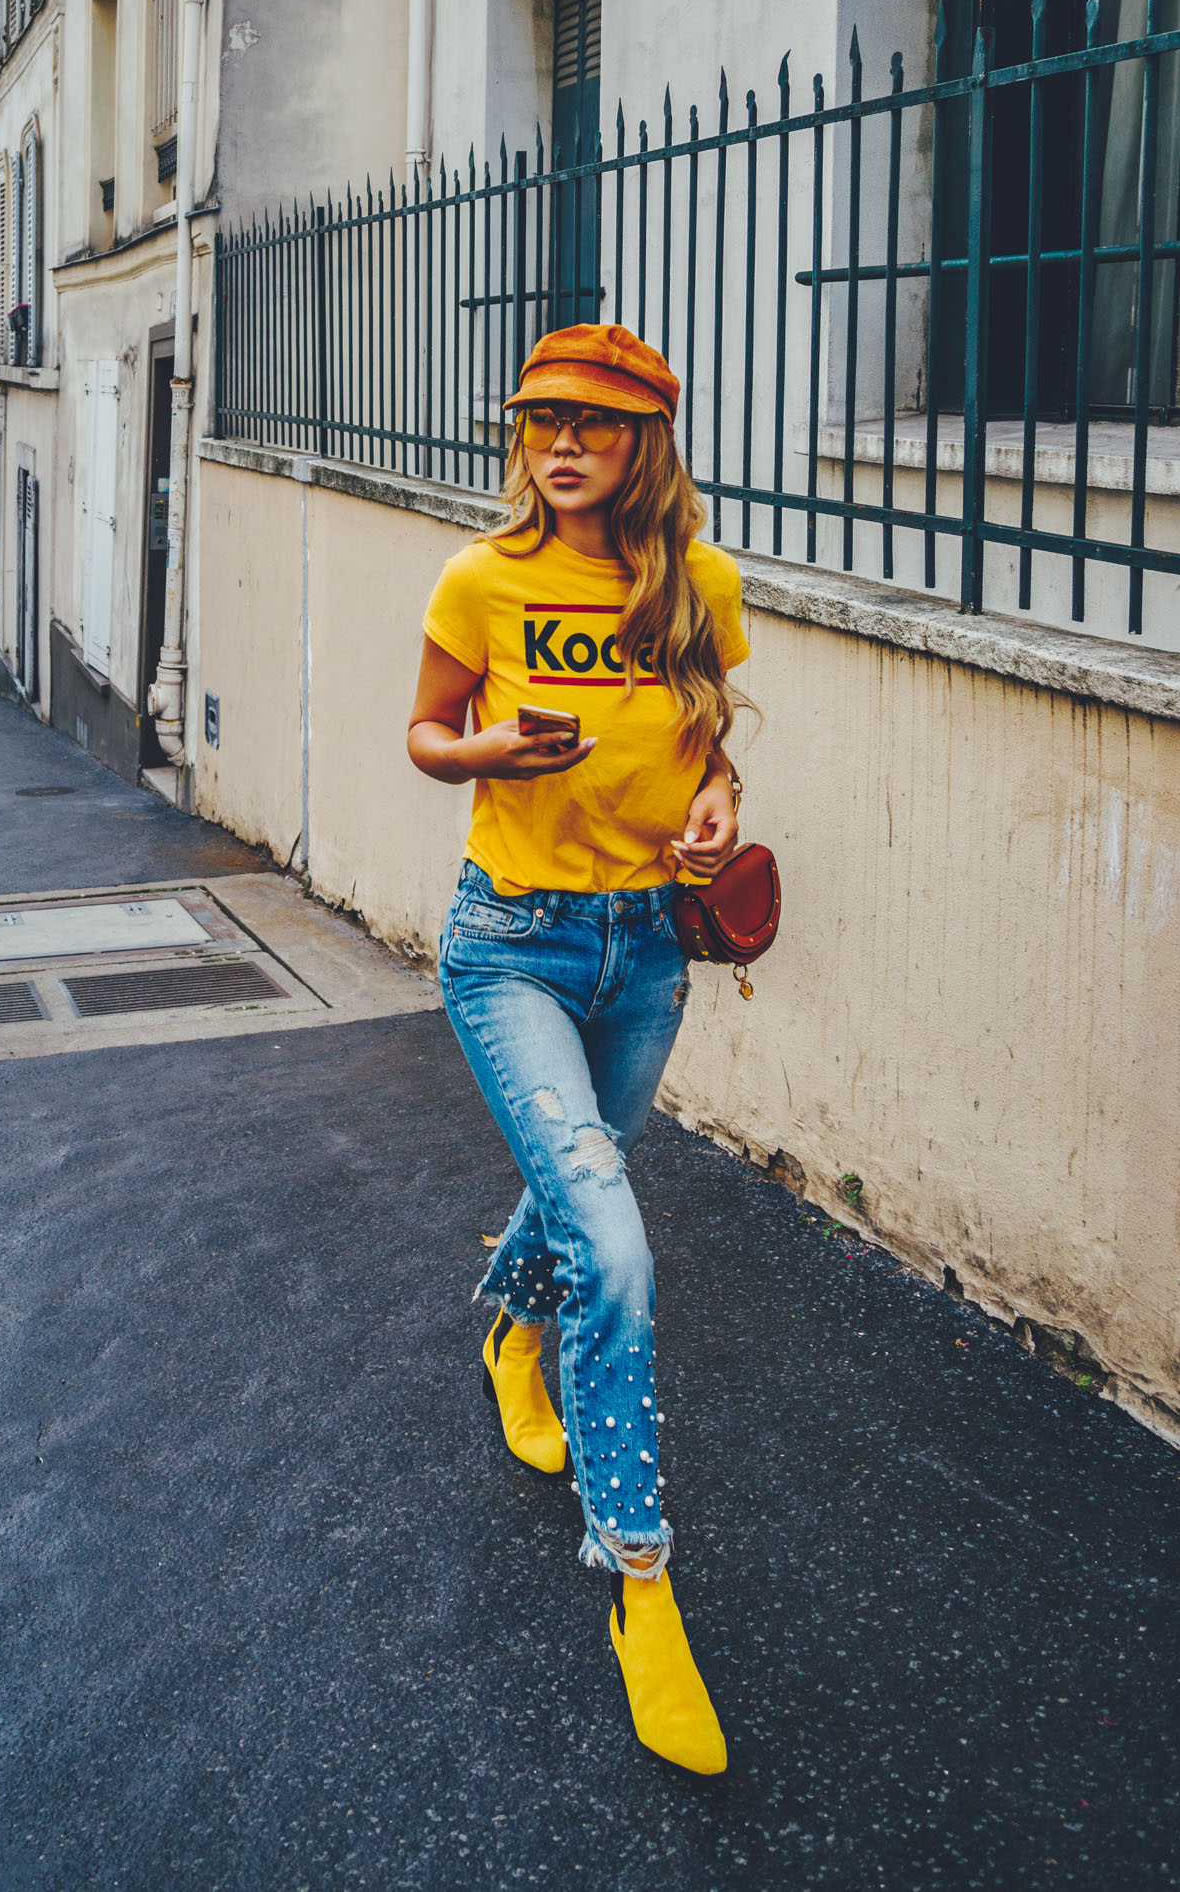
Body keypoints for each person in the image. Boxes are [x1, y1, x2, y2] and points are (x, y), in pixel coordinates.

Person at [407, 322, 748, 1776]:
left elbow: (711, 742)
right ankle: (641, 1576)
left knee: (574, 1191)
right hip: (514, 946)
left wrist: (721, 800)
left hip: (647, 951)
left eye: (595, 426)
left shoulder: (697, 585)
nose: (561, 444)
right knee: (612, 1237)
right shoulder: (482, 578)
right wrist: (488, 754)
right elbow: (425, 734)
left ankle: (509, 1329)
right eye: (542, 420)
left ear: (643, 447)